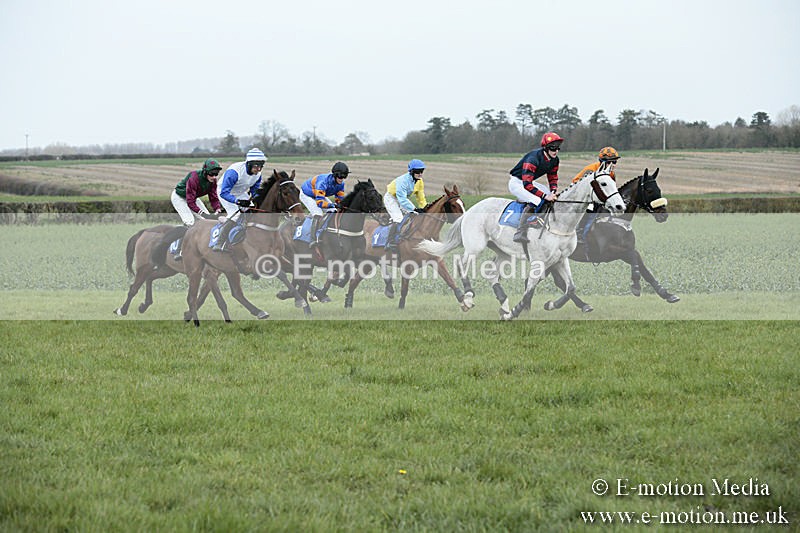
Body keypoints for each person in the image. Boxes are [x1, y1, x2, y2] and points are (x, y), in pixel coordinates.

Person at [508, 132, 564, 243]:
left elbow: (552, 177)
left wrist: (553, 191)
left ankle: (542, 220)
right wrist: (545, 196)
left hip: (528, 182)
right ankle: (520, 232)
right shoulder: (533, 158)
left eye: (558, 148)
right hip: (517, 183)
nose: (556, 151)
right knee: (536, 200)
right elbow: (527, 185)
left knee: (549, 195)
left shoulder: (555, 160)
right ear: (546, 148)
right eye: (553, 148)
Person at [212, 148, 267, 252]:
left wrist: (258, 199)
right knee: (236, 214)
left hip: (240, 192)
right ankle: (219, 243)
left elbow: (254, 191)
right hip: (225, 192)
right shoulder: (234, 172)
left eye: (261, 166)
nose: (259, 169)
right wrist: (237, 201)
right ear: (249, 164)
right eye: (256, 166)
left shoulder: (258, 175)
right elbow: (224, 192)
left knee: (252, 209)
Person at [169, 158, 224, 259]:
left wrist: (217, 209)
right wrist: (202, 213)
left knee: (206, 221)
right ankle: (178, 249)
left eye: (216, 174)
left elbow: (213, 198)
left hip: (193, 198)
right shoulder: (194, 178)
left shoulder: (213, 181)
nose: (214, 177)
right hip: (180, 197)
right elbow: (190, 203)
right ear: (205, 172)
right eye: (211, 174)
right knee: (190, 222)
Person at [573, 147, 620, 244]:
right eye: (610, 162)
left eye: (615, 162)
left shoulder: (611, 173)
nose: (613, 165)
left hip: (596, 197)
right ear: (602, 162)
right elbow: (581, 187)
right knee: (590, 208)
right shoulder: (591, 170)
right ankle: (579, 232)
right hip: (580, 194)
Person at [299, 161, 349, 247]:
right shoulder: (323, 182)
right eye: (340, 176)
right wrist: (333, 205)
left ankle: (327, 231)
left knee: (333, 211)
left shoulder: (341, 184)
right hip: (307, 194)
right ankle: (313, 239)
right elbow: (320, 203)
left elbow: (339, 200)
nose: (342, 179)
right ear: (335, 175)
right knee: (318, 213)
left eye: (344, 176)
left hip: (318, 194)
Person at [383, 159, 428, 251]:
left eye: (421, 171)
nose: (420, 174)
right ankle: (390, 242)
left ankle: (407, 237)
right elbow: (402, 200)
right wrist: (414, 209)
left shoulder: (420, 181)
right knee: (398, 219)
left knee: (414, 216)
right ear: (411, 171)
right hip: (392, 198)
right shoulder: (402, 181)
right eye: (417, 171)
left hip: (403, 199)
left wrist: (425, 208)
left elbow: (421, 197)